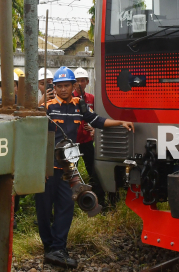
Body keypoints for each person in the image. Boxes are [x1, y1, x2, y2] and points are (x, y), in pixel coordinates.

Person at [36, 66, 134, 269]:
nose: (63, 89)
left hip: (67, 169)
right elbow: (31, 130)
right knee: (44, 209)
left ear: (74, 86)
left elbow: (96, 120)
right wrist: (39, 105)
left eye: (67, 85)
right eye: (59, 86)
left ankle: (59, 248)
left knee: (66, 207)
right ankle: (49, 248)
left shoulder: (79, 106)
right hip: (45, 167)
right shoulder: (47, 106)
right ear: (54, 87)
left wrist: (120, 122)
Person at [72, 67, 106, 206]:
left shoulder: (92, 99)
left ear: (87, 82)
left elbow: (98, 117)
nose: (80, 83)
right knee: (70, 173)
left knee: (94, 170)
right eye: (77, 81)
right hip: (72, 143)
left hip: (86, 142)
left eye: (82, 81)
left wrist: (93, 129)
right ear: (74, 83)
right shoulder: (70, 99)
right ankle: (70, 202)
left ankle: (99, 201)